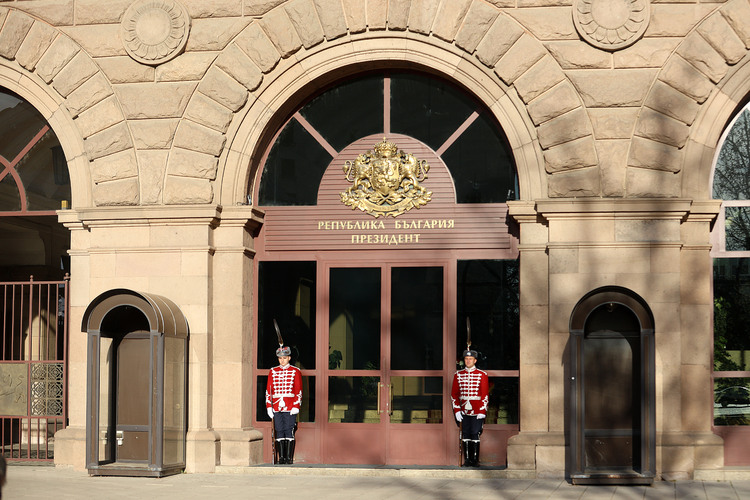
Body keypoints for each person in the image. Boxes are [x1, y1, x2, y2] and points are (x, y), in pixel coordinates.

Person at [451, 347, 489, 467]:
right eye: (466, 359)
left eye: (470, 359)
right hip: (463, 410)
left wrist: (483, 410)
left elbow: (484, 394)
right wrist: (457, 410)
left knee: (475, 433)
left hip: (477, 410)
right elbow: (454, 394)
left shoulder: (482, 375)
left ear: (475, 361)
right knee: (465, 433)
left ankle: (475, 460)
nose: (468, 361)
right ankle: (467, 460)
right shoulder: (458, 375)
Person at [266, 344, 302, 464]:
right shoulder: (273, 371)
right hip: (276, 406)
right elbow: (269, 390)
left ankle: (289, 458)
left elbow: (298, 390)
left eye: (285, 358)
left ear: (289, 358)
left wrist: (296, 405)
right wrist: (269, 406)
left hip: (290, 406)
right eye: (280, 358)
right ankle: (281, 457)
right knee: (279, 430)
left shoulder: (295, 371)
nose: (282, 360)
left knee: (289, 430)